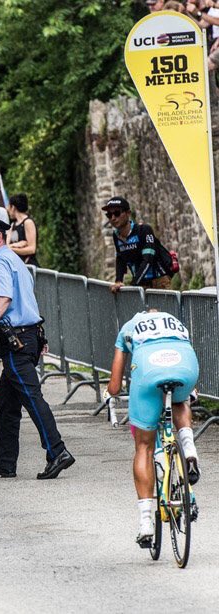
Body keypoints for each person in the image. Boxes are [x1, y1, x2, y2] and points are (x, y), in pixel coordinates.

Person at [0, 214, 74, 480]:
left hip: (15, 338)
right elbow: (28, 299)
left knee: (32, 397)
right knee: (7, 404)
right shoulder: (14, 260)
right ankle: (5, 461)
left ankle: (57, 451)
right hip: (26, 335)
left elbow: (4, 299)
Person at [106, 309, 200, 546]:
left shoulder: (128, 327)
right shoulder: (174, 321)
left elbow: (115, 386)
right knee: (179, 398)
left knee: (144, 447)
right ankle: (188, 446)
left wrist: (111, 394)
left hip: (149, 370)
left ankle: (146, 522)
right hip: (185, 364)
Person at [103, 196, 173, 292]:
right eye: (109, 215)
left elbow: (148, 260)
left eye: (117, 213)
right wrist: (118, 281)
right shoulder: (116, 235)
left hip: (159, 280)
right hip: (141, 283)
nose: (113, 218)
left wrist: (134, 284)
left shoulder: (143, 230)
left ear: (128, 213)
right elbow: (120, 258)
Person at [6, 193, 38, 266]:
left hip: (28, 265)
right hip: (15, 264)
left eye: (9, 206)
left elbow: (32, 249)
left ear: (13, 207)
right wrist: (17, 245)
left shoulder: (28, 222)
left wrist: (12, 249)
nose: (7, 209)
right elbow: (6, 246)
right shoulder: (12, 225)